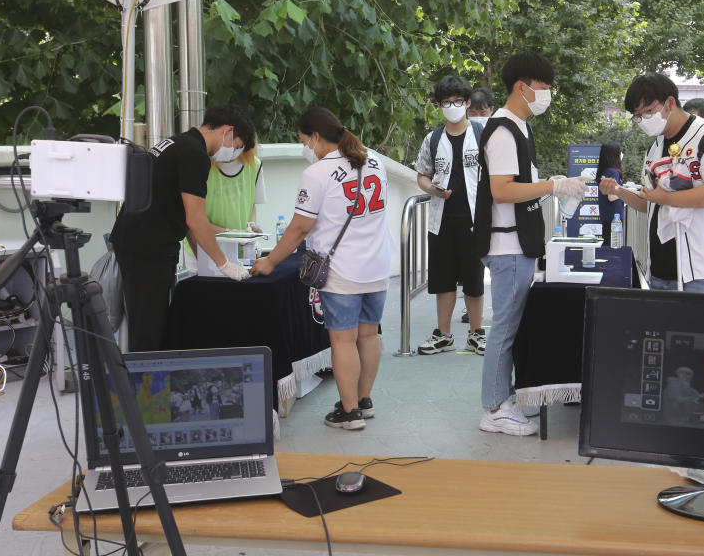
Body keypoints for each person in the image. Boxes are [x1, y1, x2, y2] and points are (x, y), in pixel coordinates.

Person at [251, 107, 393, 431]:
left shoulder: (316, 174)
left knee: (343, 341)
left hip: (343, 269)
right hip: (378, 264)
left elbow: (300, 227)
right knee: (369, 335)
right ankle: (364, 400)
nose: (304, 148)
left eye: (304, 140)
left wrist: (270, 261)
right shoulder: (373, 160)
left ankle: (349, 412)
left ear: (315, 137)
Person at [473, 51, 588, 436]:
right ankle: (493, 408)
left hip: (517, 245)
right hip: (506, 248)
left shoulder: (519, 128)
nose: (547, 95)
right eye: (543, 88)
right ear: (521, 87)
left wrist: (552, 188)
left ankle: (505, 396)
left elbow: (522, 190)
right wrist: (555, 185)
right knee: (505, 326)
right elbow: (502, 191)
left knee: (511, 324)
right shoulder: (504, 129)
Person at [110, 104, 256, 352]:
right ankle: (145, 388)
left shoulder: (177, 143)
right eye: (238, 146)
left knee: (148, 324)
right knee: (149, 330)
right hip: (149, 249)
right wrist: (224, 264)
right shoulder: (194, 154)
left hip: (137, 242)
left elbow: (184, 215)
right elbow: (195, 219)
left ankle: (147, 383)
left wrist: (203, 261)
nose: (234, 153)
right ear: (227, 131)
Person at [599, 73, 704, 293]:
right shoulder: (655, 148)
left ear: (670, 103)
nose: (644, 120)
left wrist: (666, 198)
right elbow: (651, 203)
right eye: (638, 116)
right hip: (660, 271)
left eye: (648, 111)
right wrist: (618, 191)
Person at [414, 76, 487, 356]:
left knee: (474, 279)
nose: (453, 106)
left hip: (473, 219)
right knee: (442, 280)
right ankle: (443, 335)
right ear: (438, 106)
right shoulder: (432, 139)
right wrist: (431, 188)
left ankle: (476, 333)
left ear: (467, 102)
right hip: (441, 219)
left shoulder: (481, 135)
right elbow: (422, 175)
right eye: (446, 102)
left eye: (458, 101)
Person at [181, 141, 268, 266]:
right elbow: (193, 218)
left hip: (239, 252)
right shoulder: (200, 166)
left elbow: (252, 202)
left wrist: (251, 228)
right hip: (202, 251)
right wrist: (230, 232)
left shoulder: (254, 164)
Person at [595, 141, 624, 245]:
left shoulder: (604, 171)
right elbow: (612, 196)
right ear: (614, 156)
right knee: (613, 247)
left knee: (607, 244)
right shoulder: (613, 172)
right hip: (615, 217)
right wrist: (628, 191)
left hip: (606, 215)